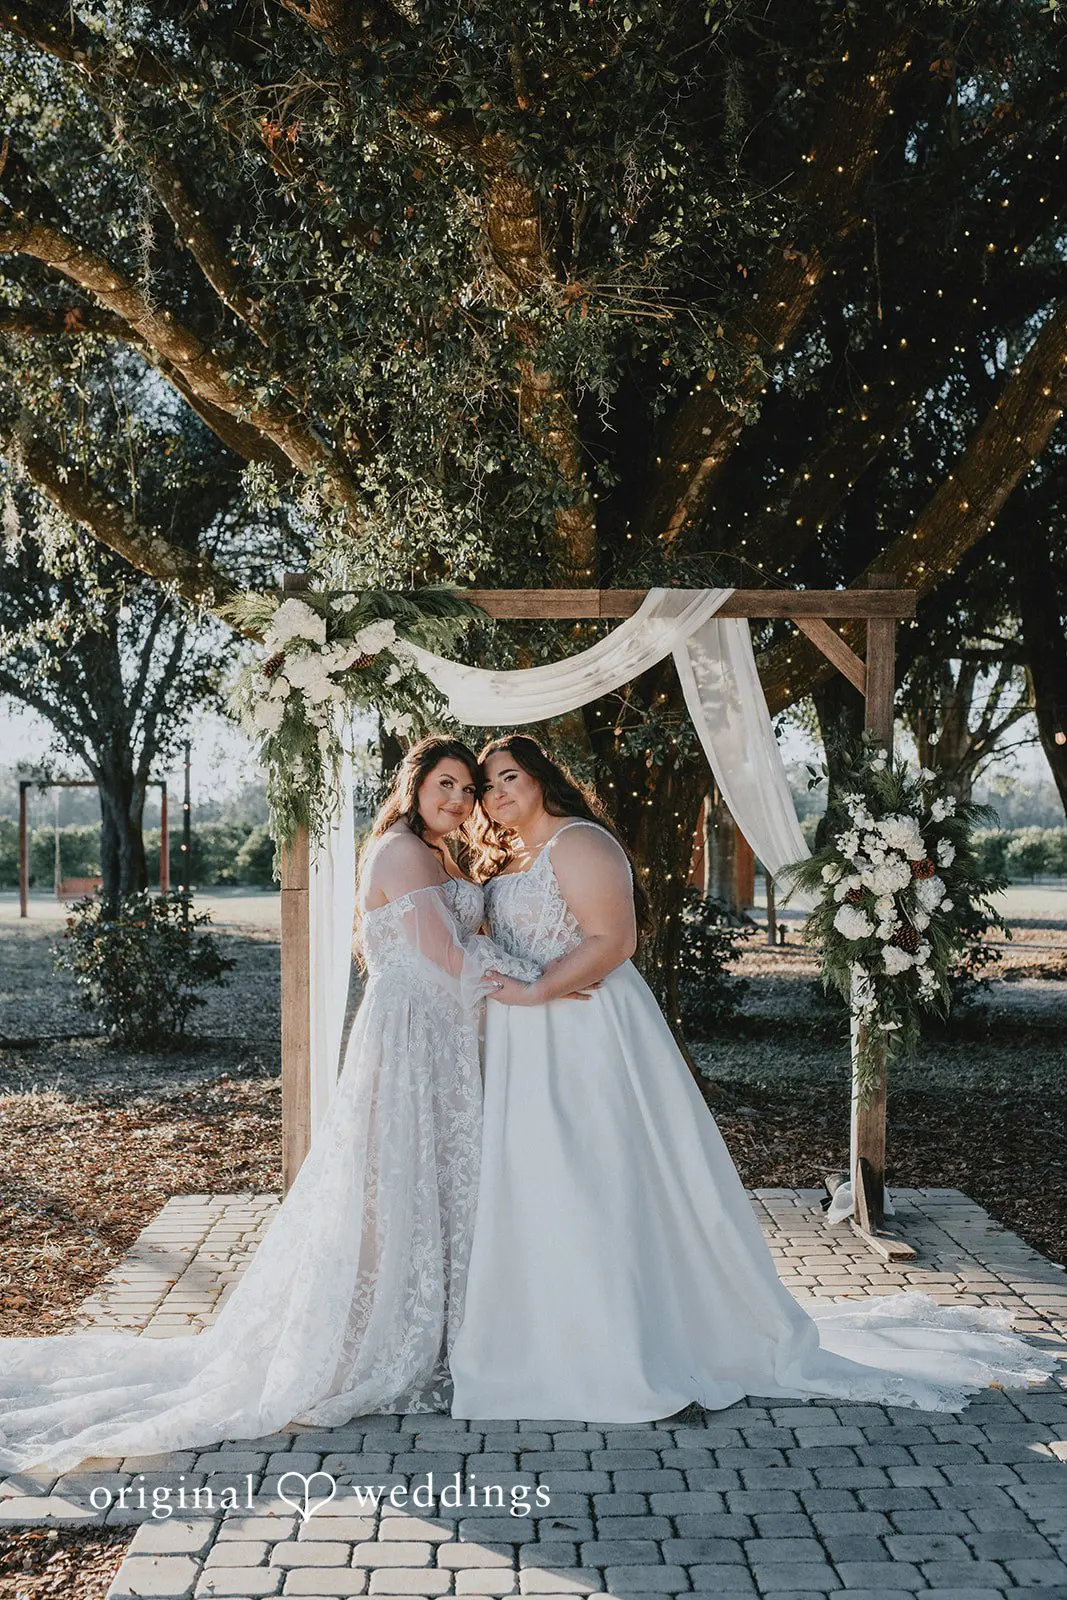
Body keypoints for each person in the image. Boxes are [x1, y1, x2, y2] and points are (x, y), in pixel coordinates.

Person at [448, 733, 1061, 1422]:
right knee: (541, 1180)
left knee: (597, 1171)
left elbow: (613, 942)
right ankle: (550, 1330)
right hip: (526, 1044)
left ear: (540, 778)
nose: (497, 794)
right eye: (486, 785)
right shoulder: (504, 857)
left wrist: (535, 992)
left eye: (509, 777)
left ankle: (628, 1339)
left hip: (585, 1033)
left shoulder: (580, 842)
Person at [0, 736, 536, 1475]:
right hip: (409, 1040)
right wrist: (548, 976)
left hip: (438, 1036)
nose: (458, 800)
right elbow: (446, 958)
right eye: (445, 785)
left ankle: (436, 1323)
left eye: (468, 791)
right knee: (394, 1182)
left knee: (426, 1180)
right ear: (414, 788)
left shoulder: (440, 854)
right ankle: (372, 1336)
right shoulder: (403, 852)